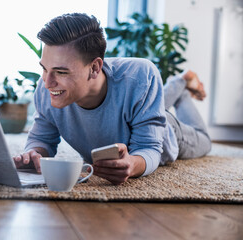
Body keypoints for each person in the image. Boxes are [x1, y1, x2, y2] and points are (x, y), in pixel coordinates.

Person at [13, 13, 211, 184]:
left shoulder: (140, 76)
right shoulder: (46, 89)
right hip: (132, 108)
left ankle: (182, 86)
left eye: (61, 72)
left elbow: (149, 148)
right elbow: (41, 138)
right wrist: (34, 154)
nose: (47, 82)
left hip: (167, 131)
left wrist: (132, 165)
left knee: (205, 141)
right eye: (44, 68)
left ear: (94, 68)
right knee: (141, 102)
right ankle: (180, 85)